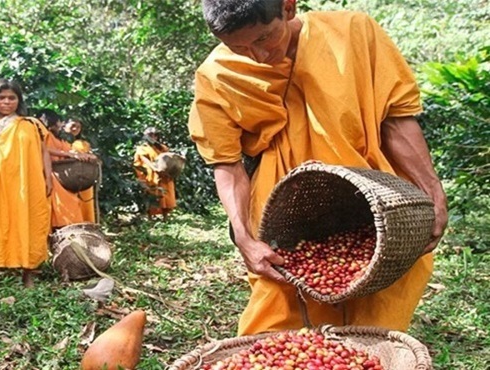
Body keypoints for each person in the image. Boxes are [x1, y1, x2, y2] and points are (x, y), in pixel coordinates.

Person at [189, 0, 448, 334]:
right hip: (281, 205)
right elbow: (226, 163)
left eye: (265, 38)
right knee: (280, 301)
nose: (257, 56)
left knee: (385, 293)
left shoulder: (353, 34)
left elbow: (396, 120)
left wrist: (432, 191)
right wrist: (244, 237)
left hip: (375, 193)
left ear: (288, 7)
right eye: (238, 47)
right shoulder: (216, 75)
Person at [0, 79, 52, 290]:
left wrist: (48, 177)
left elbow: (44, 153)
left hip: (27, 182)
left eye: (11, 98)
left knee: (28, 220)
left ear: (19, 100)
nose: (7, 102)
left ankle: (28, 271)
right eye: (1, 97)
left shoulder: (31, 124)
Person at [40, 110, 95, 229]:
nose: (60, 126)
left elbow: (70, 152)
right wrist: (69, 155)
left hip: (67, 174)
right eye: (59, 122)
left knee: (73, 202)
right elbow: (45, 150)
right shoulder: (45, 134)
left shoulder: (62, 139)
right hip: (53, 173)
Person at [133, 127, 176, 221]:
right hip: (150, 174)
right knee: (152, 194)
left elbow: (168, 158)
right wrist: (155, 168)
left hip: (163, 175)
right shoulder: (142, 148)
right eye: (150, 135)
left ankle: (165, 217)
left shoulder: (162, 147)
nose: (153, 137)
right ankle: (150, 217)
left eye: (155, 135)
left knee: (165, 195)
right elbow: (144, 160)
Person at [65, 118, 98, 223]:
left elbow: (91, 156)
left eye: (78, 127)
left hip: (84, 177)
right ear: (64, 126)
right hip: (66, 177)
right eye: (73, 125)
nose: (75, 129)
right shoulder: (59, 141)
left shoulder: (84, 143)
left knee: (86, 203)